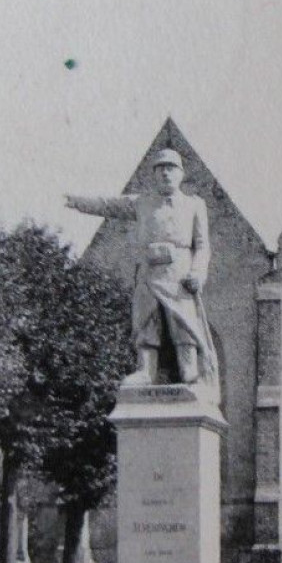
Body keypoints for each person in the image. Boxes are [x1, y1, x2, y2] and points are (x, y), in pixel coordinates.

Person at [66, 149, 219, 390]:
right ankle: (145, 370)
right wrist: (78, 202)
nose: (165, 173)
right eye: (160, 169)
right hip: (149, 271)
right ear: (154, 175)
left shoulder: (194, 205)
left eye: (170, 168)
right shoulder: (141, 203)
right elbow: (108, 205)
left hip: (179, 273)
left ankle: (189, 371)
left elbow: (202, 246)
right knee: (146, 320)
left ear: (180, 174)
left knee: (183, 322)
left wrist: (198, 273)